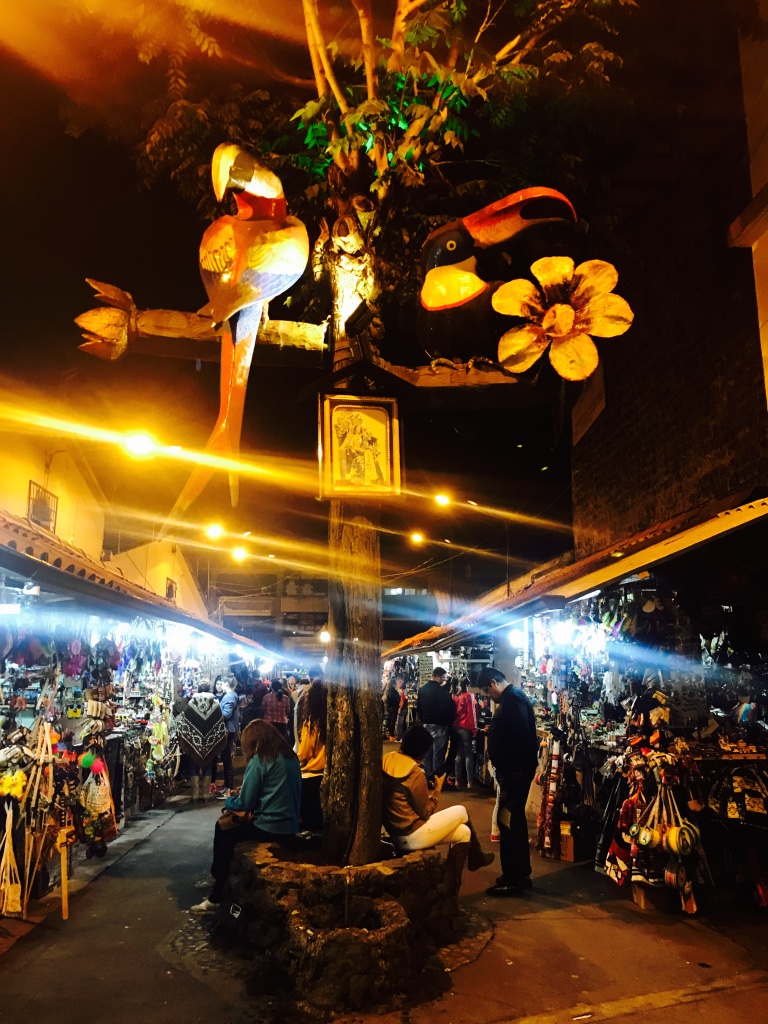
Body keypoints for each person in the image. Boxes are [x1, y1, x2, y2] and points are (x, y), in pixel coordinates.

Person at [191, 720, 301, 912]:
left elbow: (245, 803)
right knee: (228, 831)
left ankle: (216, 892)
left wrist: (229, 801)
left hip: (270, 826)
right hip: (291, 825)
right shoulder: (291, 757)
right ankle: (216, 881)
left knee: (225, 832)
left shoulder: (260, 760)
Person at [382, 726, 493, 902]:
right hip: (412, 834)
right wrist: (438, 789)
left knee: (464, 833)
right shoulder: (414, 774)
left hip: (396, 832)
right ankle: (476, 857)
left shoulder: (387, 761)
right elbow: (426, 812)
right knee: (461, 811)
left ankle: (451, 895)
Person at [476, 667, 538, 897]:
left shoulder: (512, 700)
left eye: (487, 690)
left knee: (508, 822)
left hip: (514, 775)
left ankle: (514, 878)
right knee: (512, 821)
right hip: (514, 774)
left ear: (494, 683)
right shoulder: (513, 698)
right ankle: (518, 873)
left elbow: (520, 737)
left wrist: (512, 770)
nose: (488, 695)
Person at [175, 681, 228, 801]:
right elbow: (220, 722)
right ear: (210, 689)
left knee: (193, 766)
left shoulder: (191, 703)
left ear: (198, 689)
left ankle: (195, 794)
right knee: (208, 766)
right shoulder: (215, 704)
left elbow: (183, 720)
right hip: (210, 742)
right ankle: (205, 794)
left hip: (195, 741)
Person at [415, 666, 455, 786]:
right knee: (438, 753)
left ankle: (428, 778)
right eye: (443, 677)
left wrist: (424, 720)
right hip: (440, 726)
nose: (444, 680)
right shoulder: (442, 692)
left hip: (427, 724)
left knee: (428, 753)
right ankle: (438, 780)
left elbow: (419, 708)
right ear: (437, 677)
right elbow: (448, 709)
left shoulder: (422, 690)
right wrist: (448, 722)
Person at [296, 679, 326, 831]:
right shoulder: (333, 722)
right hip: (325, 772)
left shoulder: (312, 723)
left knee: (310, 819)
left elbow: (304, 753)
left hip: (310, 774)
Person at [452, 677, 478, 790]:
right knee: (468, 755)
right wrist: (474, 729)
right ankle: (470, 782)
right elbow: (472, 713)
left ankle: (457, 781)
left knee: (459, 754)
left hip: (455, 727)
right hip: (465, 727)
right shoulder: (469, 696)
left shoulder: (457, 696)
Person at [216, 677, 240, 799]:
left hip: (228, 730)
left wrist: (216, 710)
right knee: (226, 759)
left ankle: (229, 788)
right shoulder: (232, 695)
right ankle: (227, 787)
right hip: (230, 729)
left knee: (227, 759)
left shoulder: (229, 696)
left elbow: (226, 713)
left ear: (226, 684)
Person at [384, 675, 400, 741]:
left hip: (389, 707)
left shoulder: (388, 691)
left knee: (390, 720)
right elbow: (397, 699)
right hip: (394, 707)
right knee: (393, 721)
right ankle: (392, 735)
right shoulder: (395, 692)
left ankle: (390, 734)